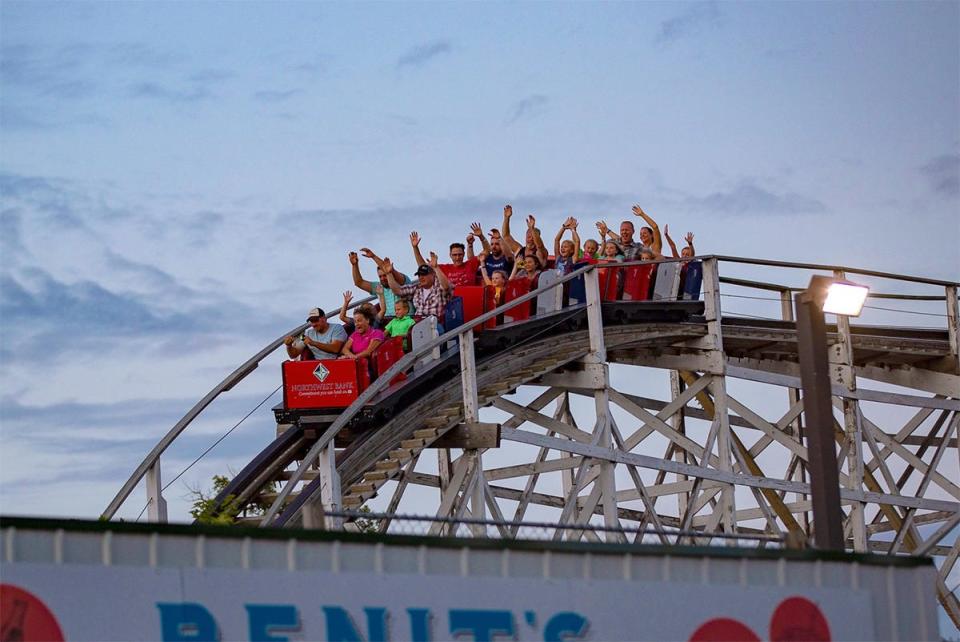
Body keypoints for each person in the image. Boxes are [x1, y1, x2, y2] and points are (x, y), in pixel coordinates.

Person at [380, 251, 453, 333]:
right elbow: (398, 291)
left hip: (435, 325)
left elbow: (446, 287)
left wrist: (436, 267)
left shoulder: (439, 287)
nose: (421, 277)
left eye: (424, 274)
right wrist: (389, 274)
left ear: (433, 275)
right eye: (419, 275)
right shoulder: (417, 288)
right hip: (418, 325)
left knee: (433, 332)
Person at [350, 248, 414, 320]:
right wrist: (354, 265)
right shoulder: (379, 287)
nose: (382, 278)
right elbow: (359, 282)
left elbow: (387, 268)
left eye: (385, 275)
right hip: (388, 322)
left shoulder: (401, 281)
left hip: (406, 320)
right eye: (380, 276)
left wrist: (373, 256)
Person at [413, 232, 480, 287]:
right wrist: (415, 248)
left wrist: (481, 237)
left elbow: (487, 251)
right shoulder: (444, 268)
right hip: (452, 301)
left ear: (464, 254)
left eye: (460, 254)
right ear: (450, 255)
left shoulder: (471, 264)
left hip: (471, 299)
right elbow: (422, 267)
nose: (457, 257)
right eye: (454, 255)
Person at [283, 308, 347, 360]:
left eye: (316, 320)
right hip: (320, 369)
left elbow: (335, 349)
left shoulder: (337, 328)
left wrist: (313, 343)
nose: (313, 324)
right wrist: (289, 346)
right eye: (311, 321)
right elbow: (294, 355)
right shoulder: (308, 334)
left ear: (324, 318)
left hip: (339, 364)